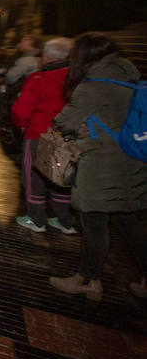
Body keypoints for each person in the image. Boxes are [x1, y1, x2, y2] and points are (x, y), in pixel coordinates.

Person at [49, 34, 147, 301]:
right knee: (128, 221)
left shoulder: (92, 86)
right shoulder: (130, 79)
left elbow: (64, 122)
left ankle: (88, 279)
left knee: (94, 221)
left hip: (100, 166)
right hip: (133, 161)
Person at [11, 38, 76, 235]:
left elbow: (21, 111)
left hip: (38, 134)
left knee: (34, 177)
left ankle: (36, 219)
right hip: (68, 137)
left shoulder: (39, 79)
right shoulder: (77, 78)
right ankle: (64, 221)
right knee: (63, 175)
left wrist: (22, 126)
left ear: (46, 56)